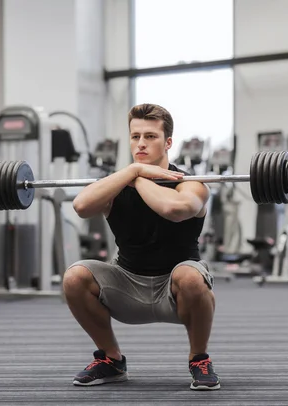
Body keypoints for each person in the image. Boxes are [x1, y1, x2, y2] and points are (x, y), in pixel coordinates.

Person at [63, 103, 219, 391]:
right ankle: (111, 360)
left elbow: (174, 209)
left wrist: (137, 176)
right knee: (75, 277)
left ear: (168, 142)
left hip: (176, 290)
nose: (141, 143)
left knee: (191, 276)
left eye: (150, 136)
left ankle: (199, 358)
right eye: (135, 137)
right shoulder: (119, 183)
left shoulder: (191, 184)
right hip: (127, 285)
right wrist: (135, 171)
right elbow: (81, 206)